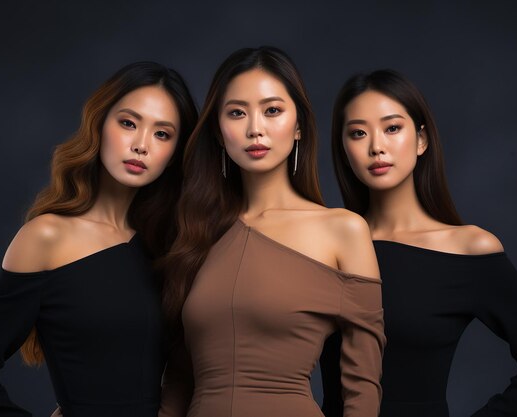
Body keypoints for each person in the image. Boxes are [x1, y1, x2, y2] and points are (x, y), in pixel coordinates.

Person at [0, 61, 198, 417]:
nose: (141, 145)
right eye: (128, 123)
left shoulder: (168, 246)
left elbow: (187, 368)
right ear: (99, 124)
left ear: (175, 153)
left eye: (162, 133)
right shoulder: (47, 237)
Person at [320, 69, 517, 417]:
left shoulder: (469, 248)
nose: (376, 146)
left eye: (392, 128)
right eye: (358, 133)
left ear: (421, 139)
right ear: (343, 148)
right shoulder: (322, 246)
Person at [158, 46, 385, 417]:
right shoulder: (194, 233)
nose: (255, 128)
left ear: (298, 126)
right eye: (236, 113)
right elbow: (178, 382)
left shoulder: (342, 230)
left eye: (272, 110)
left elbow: (362, 389)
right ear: (218, 132)